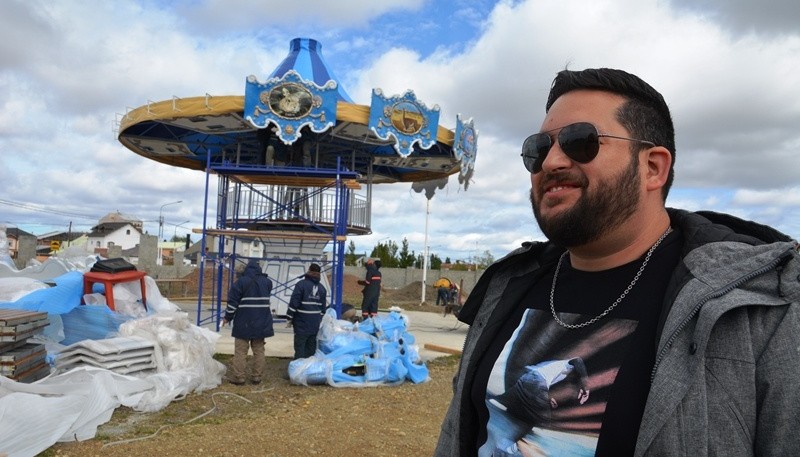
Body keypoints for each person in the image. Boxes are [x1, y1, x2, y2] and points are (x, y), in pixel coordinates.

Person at [436, 68, 800, 456]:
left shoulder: (761, 308)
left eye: (581, 141)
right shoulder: (506, 285)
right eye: (538, 149)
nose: (551, 161)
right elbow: (460, 431)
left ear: (652, 167)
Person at [222, 258, 274, 385]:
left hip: (243, 322)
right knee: (259, 350)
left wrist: (227, 317)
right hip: (262, 322)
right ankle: (257, 376)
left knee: (240, 351)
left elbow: (233, 304)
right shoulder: (267, 282)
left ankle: (239, 377)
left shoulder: (240, 283)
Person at [286, 263, 327, 359]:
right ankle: (308, 369)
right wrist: (318, 319)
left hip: (301, 324)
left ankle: (298, 369)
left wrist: (289, 317)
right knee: (311, 348)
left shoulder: (301, 285)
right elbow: (323, 309)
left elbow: (294, 303)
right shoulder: (322, 288)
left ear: (309, 271)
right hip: (314, 324)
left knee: (300, 347)